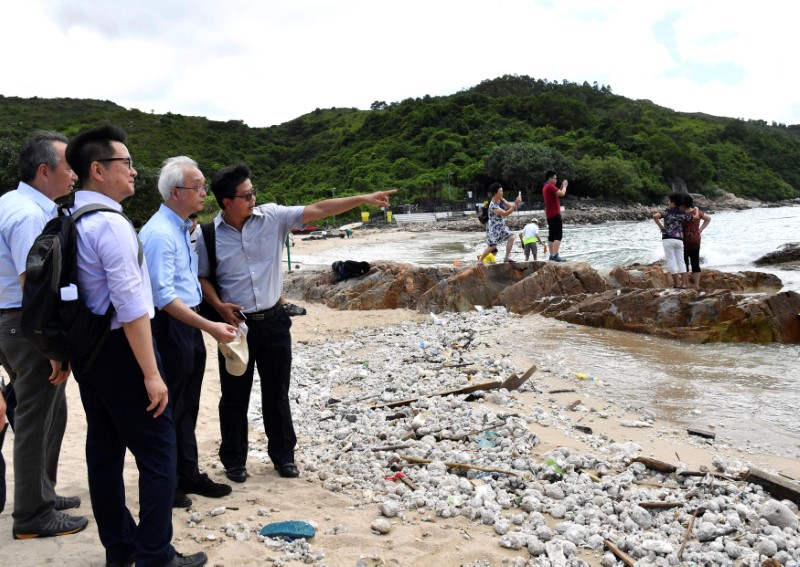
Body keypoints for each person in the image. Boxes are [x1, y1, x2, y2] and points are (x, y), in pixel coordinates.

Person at [195, 163, 395, 483]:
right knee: (234, 396)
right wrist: (218, 304)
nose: (253, 199)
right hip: (235, 328)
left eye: (253, 192)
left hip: (274, 321)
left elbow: (318, 208)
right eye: (246, 195)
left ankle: (283, 457)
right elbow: (202, 276)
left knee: (277, 392)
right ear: (226, 202)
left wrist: (364, 198)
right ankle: (234, 460)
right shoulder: (207, 235)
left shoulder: (272, 217)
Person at [65, 125, 207, 567]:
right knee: (159, 450)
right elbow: (131, 307)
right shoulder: (111, 225)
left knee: (104, 451)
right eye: (125, 163)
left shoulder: (70, 218)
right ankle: (154, 554)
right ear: (97, 169)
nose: (133, 171)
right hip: (122, 352)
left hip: (87, 353)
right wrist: (151, 372)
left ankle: (121, 548)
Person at [0, 131, 88, 539]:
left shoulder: (10, 202)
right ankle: (32, 516)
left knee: (52, 411)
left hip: (12, 321)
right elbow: (32, 285)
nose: (74, 175)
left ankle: (43, 493)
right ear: (44, 170)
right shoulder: (30, 215)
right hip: (24, 323)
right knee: (35, 418)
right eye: (69, 166)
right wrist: (51, 345)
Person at [139, 157, 238, 510]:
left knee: (187, 404)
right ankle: (170, 482)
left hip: (188, 324)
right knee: (170, 406)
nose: (204, 193)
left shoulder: (182, 228)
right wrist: (210, 326)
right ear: (177, 192)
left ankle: (187, 473)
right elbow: (163, 297)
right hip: (170, 327)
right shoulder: (159, 234)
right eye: (199, 187)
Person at [652, 192, 697, 289]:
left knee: (671, 261)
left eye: (669, 200)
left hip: (667, 238)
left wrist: (662, 227)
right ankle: (685, 284)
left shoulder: (667, 212)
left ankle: (676, 283)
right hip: (679, 239)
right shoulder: (683, 213)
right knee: (681, 261)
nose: (668, 202)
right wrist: (696, 210)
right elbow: (695, 218)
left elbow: (655, 216)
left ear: (672, 202)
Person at [477, 182, 521, 265]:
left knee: (511, 237)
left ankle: (506, 258)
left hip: (501, 225)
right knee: (493, 246)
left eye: (502, 190)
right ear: (495, 193)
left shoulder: (501, 199)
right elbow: (505, 213)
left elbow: (510, 207)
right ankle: (480, 260)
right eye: (500, 191)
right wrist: (516, 204)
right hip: (493, 227)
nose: (502, 192)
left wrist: (515, 204)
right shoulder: (493, 205)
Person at [680, 195, 711, 290]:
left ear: (683, 204)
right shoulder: (696, 212)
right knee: (695, 262)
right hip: (695, 239)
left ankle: (685, 283)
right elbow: (708, 219)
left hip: (683, 240)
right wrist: (700, 229)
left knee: (684, 262)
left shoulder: (681, 214)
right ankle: (696, 285)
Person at [542, 170, 568, 262]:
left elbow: (556, 194)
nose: (556, 180)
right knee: (558, 235)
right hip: (555, 214)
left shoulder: (546, 187)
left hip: (549, 214)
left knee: (552, 236)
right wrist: (564, 186)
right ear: (550, 178)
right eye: (555, 178)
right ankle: (555, 254)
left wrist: (560, 187)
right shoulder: (550, 186)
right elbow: (562, 194)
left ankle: (551, 255)